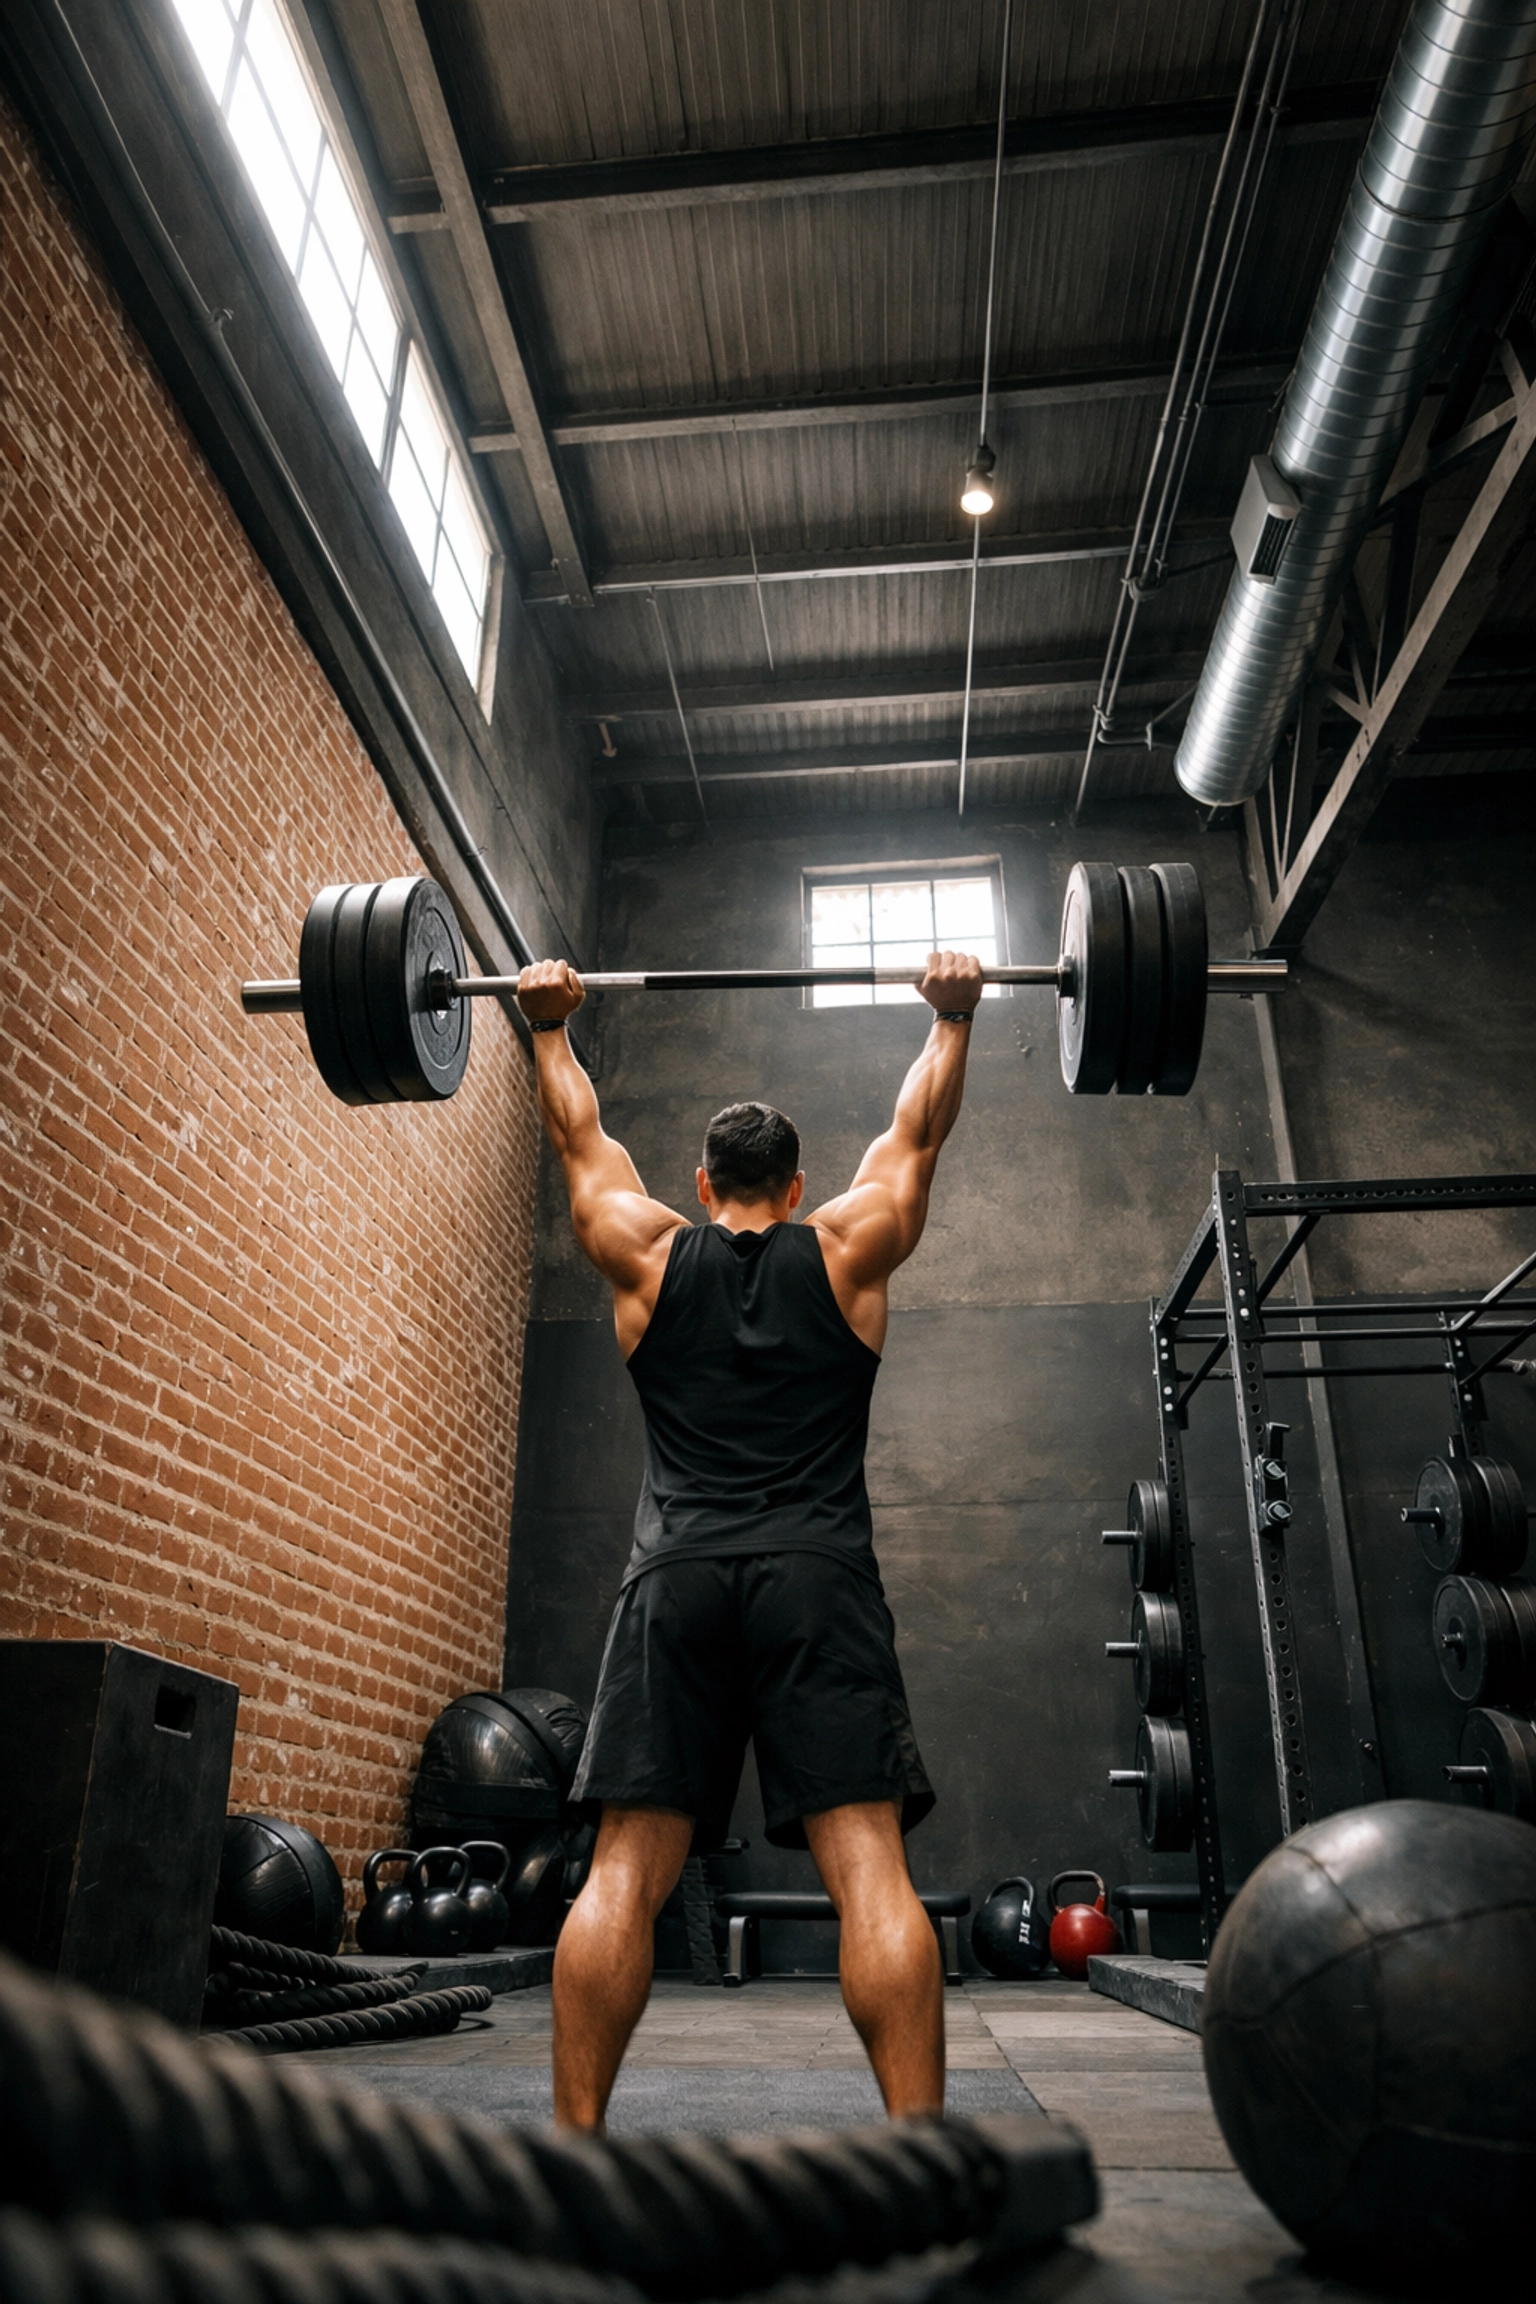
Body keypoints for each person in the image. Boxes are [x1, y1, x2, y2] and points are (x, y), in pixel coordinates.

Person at [516, 949, 984, 2131]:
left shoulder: (641, 1251)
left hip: (674, 1580)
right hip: (816, 1579)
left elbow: (579, 1140)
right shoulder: (847, 1246)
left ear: (702, 1178)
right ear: (798, 1181)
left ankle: (573, 2152)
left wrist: (549, 1033)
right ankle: (919, 2156)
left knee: (622, 1872)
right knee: (870, 1872)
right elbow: (916, 1136)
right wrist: (954, 1019)